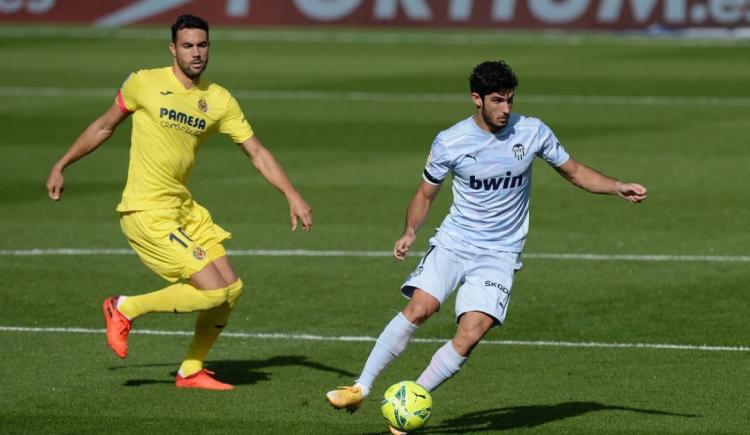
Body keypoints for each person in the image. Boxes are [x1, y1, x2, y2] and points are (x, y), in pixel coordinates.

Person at [325, 60, 647, 433]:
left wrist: (617, 186)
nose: (506, 109)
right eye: (497, 100)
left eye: (510, 100)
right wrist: (410, 231)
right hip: (455, 242)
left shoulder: (532, 131)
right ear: (476, 99)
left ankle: (411, 400)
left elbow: (574, 172)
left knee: (471, 333)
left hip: (500, 253)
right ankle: (360, 387)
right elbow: (425, 195)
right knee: (421, 307)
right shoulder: (450, 141)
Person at [46, 15, 312, 390]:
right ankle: (123, 308)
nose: (196, 53)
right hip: (147, 211)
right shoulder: (144, 83)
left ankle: (190, 370)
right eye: (187, 46)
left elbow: (256, 152)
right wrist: (62, 164)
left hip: (184, 209)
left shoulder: (218, 100)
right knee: (213, 291)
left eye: (202, 45)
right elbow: (104, 126)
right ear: (173, 48)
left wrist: (292, 193)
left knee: (231, 291)